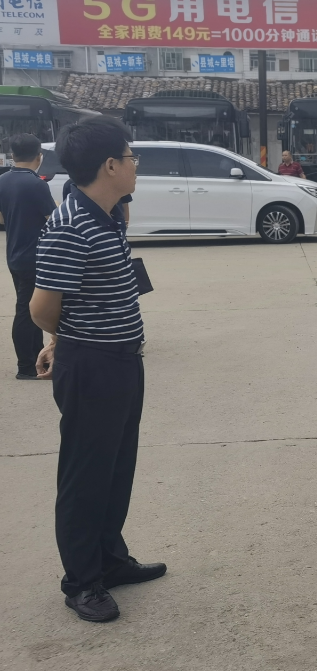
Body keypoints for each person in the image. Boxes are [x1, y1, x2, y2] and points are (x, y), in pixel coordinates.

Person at [29, 117, 166, 622]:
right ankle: (82, 581)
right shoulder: (71, 224)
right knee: (86, 475)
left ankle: (110, 559)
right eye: (131, 157)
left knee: (116, 467)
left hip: (122, 358)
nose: (135, 166)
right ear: (110, 165)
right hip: (92, 365)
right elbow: (42, 308)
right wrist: (64, 340)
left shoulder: (107, 215)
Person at [0, 134, 56, 380]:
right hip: (35, 256)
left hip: (14, 253)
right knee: (27, 310)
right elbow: (52, 220)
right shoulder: (36, 184)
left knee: (29, 307)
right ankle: (25, 366)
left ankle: (35, 358)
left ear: (12, 155)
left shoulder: (2, 180)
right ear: (39, 157)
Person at [62, 178, 131, 224]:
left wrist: (125, 222)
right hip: (87, 225)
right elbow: (68, 208)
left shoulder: (118, 182)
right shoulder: (69, 184)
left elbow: (125, 203)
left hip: (116, 222)